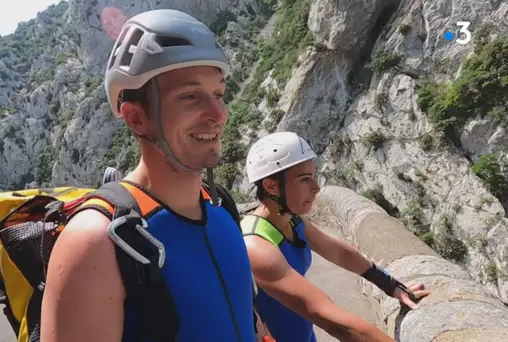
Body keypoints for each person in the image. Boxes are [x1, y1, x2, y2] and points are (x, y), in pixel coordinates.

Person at [40, 9, 256, 342]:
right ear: (137, 118)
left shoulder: (220, 207)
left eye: (218, 94)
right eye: (190, 97)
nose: (219, 115)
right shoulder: (97, 243)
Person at [242, 131, 431, 342]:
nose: (316, 188)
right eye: (304, 179)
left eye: (313, 176)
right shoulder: (255, 246)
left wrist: (390, 285)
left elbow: (338, 253)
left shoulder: (291, 219)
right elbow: (331, 319)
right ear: (271, 186)